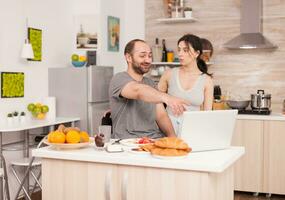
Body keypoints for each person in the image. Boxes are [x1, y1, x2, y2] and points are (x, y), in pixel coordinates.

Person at [109, 39, 189, 139]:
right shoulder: (119, 79)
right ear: (129, 57)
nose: (148, 60)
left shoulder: (150, 83)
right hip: (129, 142)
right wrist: (167, 98)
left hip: (154, 140)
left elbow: (161, 116)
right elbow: (138, 91)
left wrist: (173, 138)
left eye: (150, 56)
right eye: (142, 56)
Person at [158, 34, 214, 136]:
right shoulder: (168, 74)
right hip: (167, 130)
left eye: (185, 50)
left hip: (194, 131)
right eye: (179, 49)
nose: (180, 54)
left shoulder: (207, 80)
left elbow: (207, 114)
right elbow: (156, 101)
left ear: (197, 53)